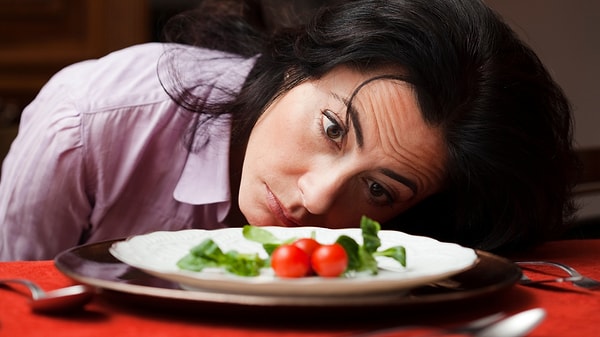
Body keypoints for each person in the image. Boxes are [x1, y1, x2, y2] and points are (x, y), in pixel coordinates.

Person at [0, 0, 579, 260]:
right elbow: (14, 295)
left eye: (378, 190)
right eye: (332, 128)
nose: (319, 198)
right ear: (298, 62)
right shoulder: (87, 122)